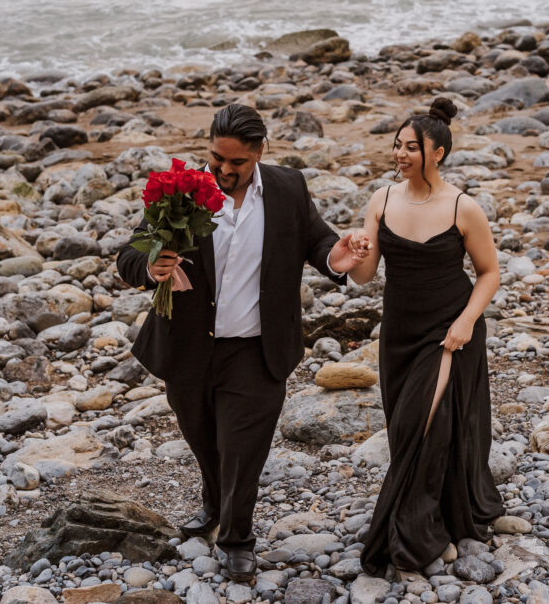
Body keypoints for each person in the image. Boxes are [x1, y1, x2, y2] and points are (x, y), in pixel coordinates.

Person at [116, 104, 366, 582]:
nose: (224, 171)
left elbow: (317, 243)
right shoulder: (183, 189)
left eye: (237, 163)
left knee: (242, 450)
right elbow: (130, 253)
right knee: (206, 442)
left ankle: (236, 539)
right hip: (187, 348)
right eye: (217, 158)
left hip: (257, 349)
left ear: (260, 153)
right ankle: (213, 502)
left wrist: (339, 257)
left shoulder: (288, 188)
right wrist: (152, 268)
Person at [345, 97, 504, 575]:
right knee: (406, 427)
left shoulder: (463, 206)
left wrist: (466, 321)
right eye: (397, 146)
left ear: (437, 153)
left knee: (426, 423)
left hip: (448, 329)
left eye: (410, 147)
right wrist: (356, 250)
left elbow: (490, 272)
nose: (400, 154)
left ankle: (409, 534)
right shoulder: (382, 199)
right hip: (398, 332)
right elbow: (365, 277)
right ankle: (444, 512)